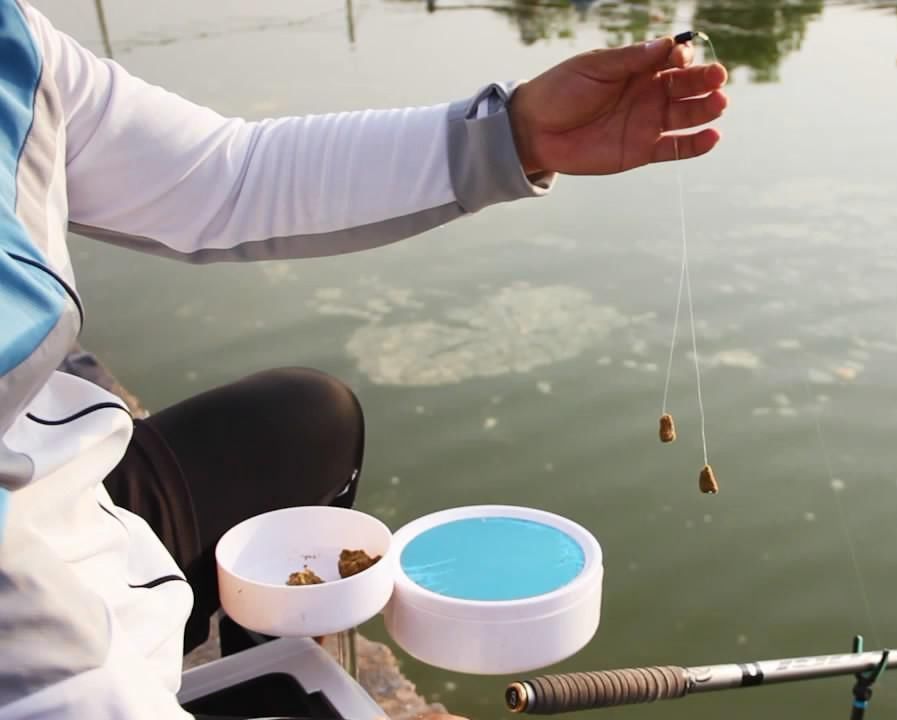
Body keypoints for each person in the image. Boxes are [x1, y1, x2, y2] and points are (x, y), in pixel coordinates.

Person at [0, 0, 728, 717]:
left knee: (304, 422)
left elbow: (224, 176)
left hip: (51, 501)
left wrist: (517, 135)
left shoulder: (17, 42)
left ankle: (265, 665)